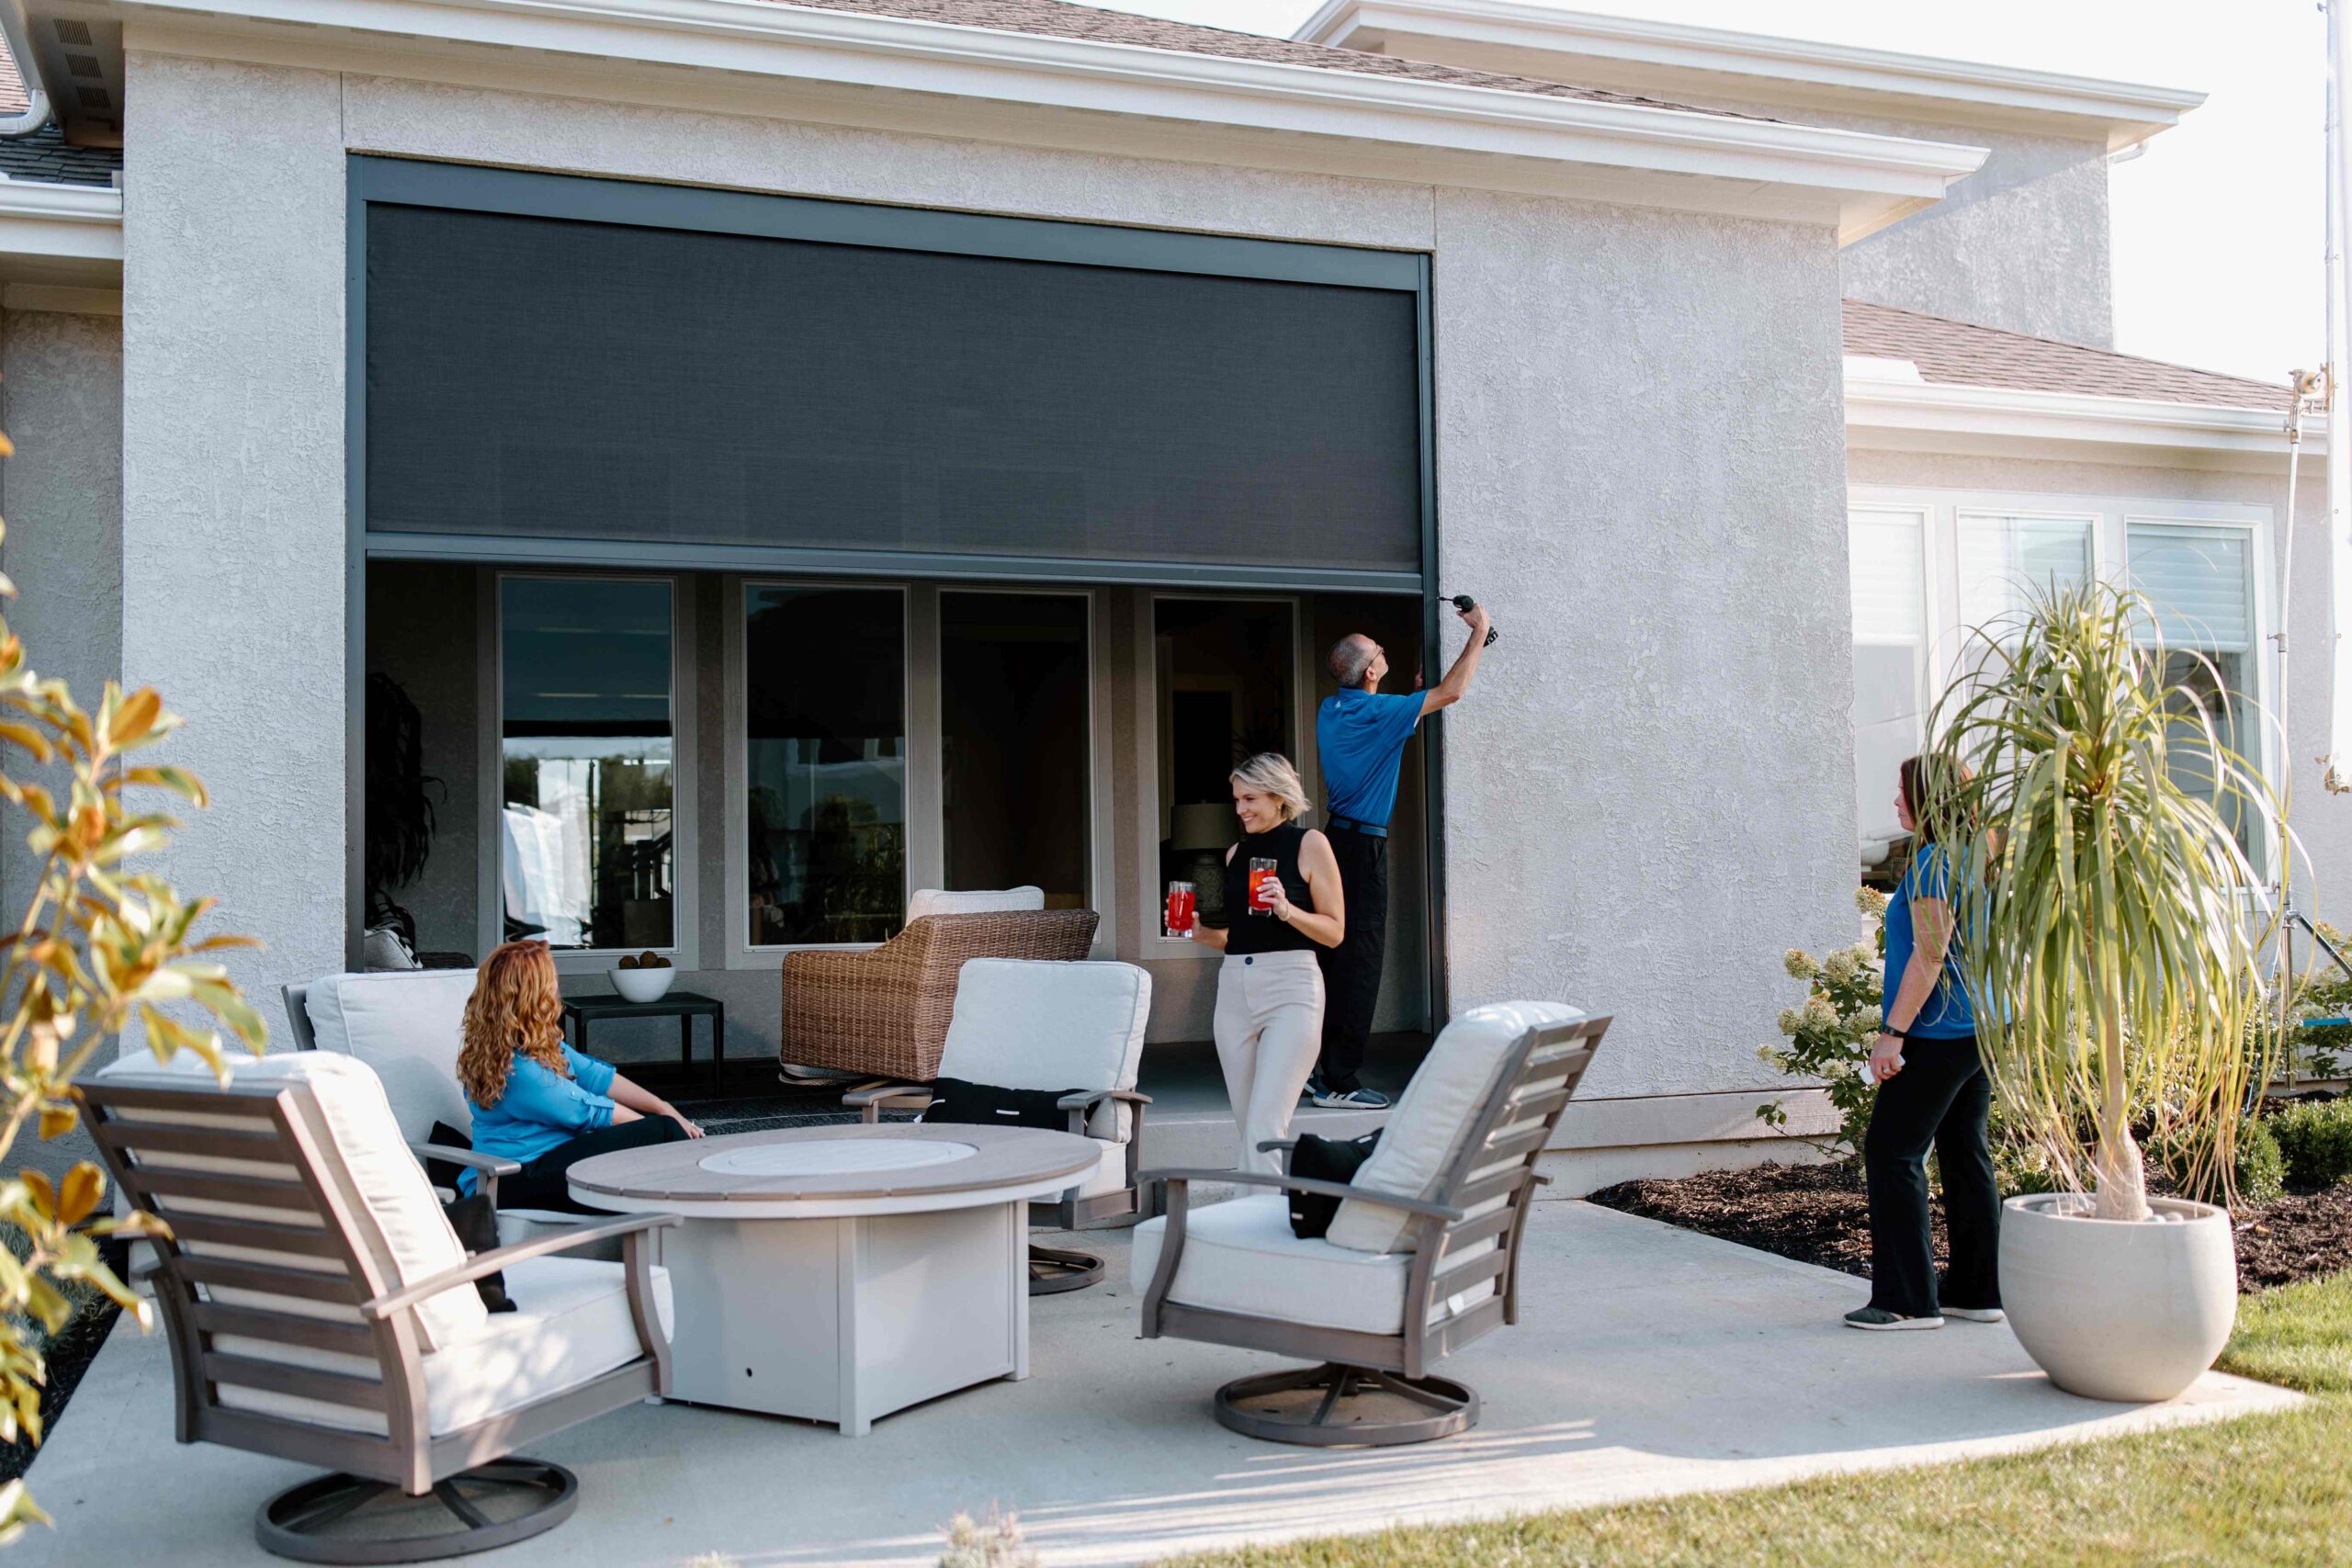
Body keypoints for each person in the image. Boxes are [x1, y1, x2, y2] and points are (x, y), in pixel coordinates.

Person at [1306, 599, 1491, 1110]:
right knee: (1361, 960)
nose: (1384, 651)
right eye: (1379, 652)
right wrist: (1480, 632)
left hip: (1333, 842)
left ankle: (1315, 1066)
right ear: (1370, 671)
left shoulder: (1336, 708)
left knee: (1332, 956)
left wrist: (1412, 697)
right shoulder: (1375, 711)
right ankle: (1337, 1082)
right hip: (1362, 847)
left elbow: (1385, 733)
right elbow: (1452, 692)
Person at [1849, 755, 2002, 1331]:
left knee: (1893, 1152)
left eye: (1902, 792)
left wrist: (1893, 1034)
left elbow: (1931, 953)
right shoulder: (1979, 854)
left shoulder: (1936, 862)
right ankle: (1978, 1292)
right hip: (1982, 1027)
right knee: (1964, 1151)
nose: (1894, 804)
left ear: (1930, 799)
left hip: (1938, 1031)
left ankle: (1906, 1300)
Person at [455, 940, 707, 1213]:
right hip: (511, 1181)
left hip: (545, 1161)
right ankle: (702, 1215)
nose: (556, 988)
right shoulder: (518, 1071)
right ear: (533, 994)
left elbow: (595, 1076)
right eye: (551, 981)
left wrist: (663, 1107)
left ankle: (672, 1215)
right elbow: (592, 1111)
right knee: (661, 1132)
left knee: (660, 1131)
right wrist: (665, 1132)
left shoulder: (528, 1043)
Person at [1192, 753, 1345, 1174]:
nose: (1241, 810)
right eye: (1237, 800)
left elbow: (1335, 931)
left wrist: (1288, 910)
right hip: (1235, 987)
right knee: (1251, 1128)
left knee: (1265, 1124)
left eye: (1250, 799)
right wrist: (1202, 935)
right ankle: (1277, 1211)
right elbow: (1238, 937)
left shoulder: (1311, 844)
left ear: (1279, 797)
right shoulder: (1235, 854)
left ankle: (1254, 1221)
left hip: (1292, 987)